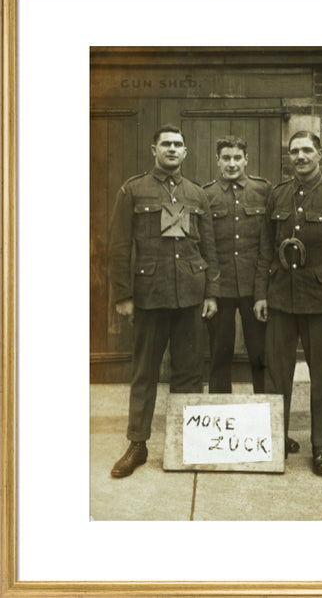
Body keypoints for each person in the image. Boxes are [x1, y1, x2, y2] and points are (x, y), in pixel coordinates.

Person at [108, 125, 219, 478]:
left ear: (186, 152)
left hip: (189, 295)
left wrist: (211, 293)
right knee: (144, 372)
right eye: (166, 144)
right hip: (149, 296)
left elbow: (209, 248)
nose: (173, 149)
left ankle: (188, 442)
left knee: (189, 372)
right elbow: (119, 246)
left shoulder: (197, 194)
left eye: (179, 145)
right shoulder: (133, 189)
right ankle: (138, 444)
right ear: (154, 148)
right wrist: (124, 295)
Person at [254, 131, 322, 475]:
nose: (300, 156)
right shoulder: (278, 195)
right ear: (289, 157)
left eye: (306, 150)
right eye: (295, 151)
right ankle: (275, 441)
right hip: (280, 302)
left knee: (321, 377)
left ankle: (320, 447)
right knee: (277, 375)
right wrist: (260, 294)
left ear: (319, 154)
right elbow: (265, 249)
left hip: (321, 302)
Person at [204, 135, 299, 455]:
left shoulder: (264, 191)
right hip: (220, 291)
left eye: (237, 157)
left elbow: (268, 246)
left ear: (247, 160)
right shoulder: (207, 195)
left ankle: (269, 431)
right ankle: (219, 438)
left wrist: (262, 295)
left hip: (255, 291)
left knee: (263, 359)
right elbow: (208, 248)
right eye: (226, 157)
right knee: (219, 358)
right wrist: (212, 293)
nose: (231, 163)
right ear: (217, 161)